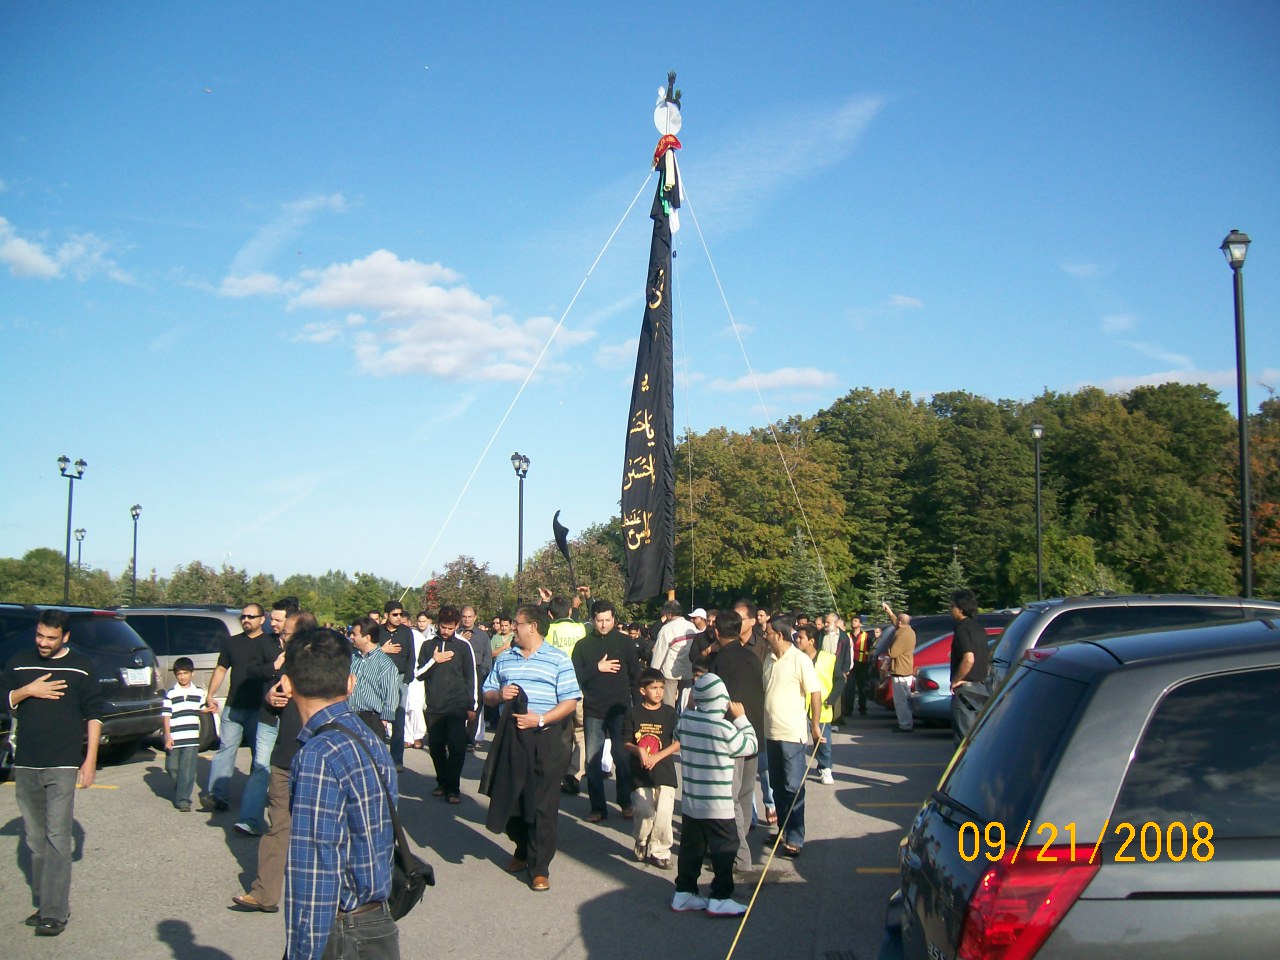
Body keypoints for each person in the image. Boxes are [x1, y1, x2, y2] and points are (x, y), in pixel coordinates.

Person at [283, 626, 399, 960]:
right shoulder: (367, 737)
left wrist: (303, 952)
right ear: (350, 683)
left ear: (287, 684)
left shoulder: (318, 755)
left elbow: (315, 869)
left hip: (343, 930)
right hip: (376, 919)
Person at [1, 609, 103, 937]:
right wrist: (28, 691)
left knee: (58, 836)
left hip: (63, 763)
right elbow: (4, 700)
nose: (43, 643)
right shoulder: (19, 662)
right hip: (27, 762)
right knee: (35, 838)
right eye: (39, 636)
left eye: (51, 638)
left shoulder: (81, 666)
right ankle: (46, 903)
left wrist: (89, 761)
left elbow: (94, 715)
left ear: (65, 637)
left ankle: (55, 912)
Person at [480, 605, 581, 892]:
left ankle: (539, 867)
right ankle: (522, 848)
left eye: (517, 623)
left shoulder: (558, 659)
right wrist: (499, 695)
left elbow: (570, 701)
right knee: (509, 797)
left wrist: (541, 719)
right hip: (511, 738)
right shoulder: (505, 659)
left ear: (533, 627)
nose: (513, 628)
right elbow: (486, 694)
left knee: (542, 804)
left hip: (545, 737)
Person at [233, 611, 317, 914]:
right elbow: (271, 713)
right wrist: (271, 698)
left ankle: (329, 894)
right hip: (284, 759)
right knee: (279, 825)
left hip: (315, 760)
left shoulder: (328, 670)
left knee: (320, 829)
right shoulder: (284, 667)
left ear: (304, 636)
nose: (281, 637)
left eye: (287, 633)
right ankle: (265, 893)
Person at [671, 673, 758, 917]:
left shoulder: (685, 721)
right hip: (718, 804)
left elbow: (677, 735)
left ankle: (684, 893)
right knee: (725, 849)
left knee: (691, 849)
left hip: (692, 802)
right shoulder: (724, 728)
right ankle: (720, 896)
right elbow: (751, 745)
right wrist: (741, 719)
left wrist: (691, 706)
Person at [704, 609, 766, 874]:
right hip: (753, 734)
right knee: (745, 795)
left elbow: (715, 702)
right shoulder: (752, 657)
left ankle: (739, 856)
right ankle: (736, 845)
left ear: (717, 632)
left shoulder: (719, 661)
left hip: (730, 738)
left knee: (729, 799)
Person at [571, 599, 642, 822]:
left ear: (614, 619)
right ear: (592, 620)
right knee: (593, 761)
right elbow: (575, 676)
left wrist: (639, 707)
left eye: (607, 620)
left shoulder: (625, 642)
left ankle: (625, 802)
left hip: (620, 710)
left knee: (622, 758)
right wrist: (597, 668)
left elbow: (635, 676)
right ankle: (598, 807)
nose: (603, 624)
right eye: (599, 620)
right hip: (594, 710)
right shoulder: (583, 646)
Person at [762, 615, 824, 858]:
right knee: (777, 785)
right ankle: (783, 830)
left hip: (792, 734)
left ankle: (796, 837)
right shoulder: (768, 659)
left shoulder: (800, 660)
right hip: (771, 733)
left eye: (767, 632)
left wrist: (815, 725)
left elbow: (815, 693)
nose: (765, 636)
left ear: (779, 635)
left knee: (793, 786)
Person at [202, 602, 271, 814]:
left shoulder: (269, 644)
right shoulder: (232, 643)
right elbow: (221, 669)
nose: (246, 620)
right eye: (243, 617)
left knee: (259, 756)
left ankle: (253, 798)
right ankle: (217, 795)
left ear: (262, 619)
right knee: (225, 750)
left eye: (251, 617)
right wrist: (210, 695)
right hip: (234, 707)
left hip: (259, 709)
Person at [416, 606, 478, 803]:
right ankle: (442, 782)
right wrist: (434, 660)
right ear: (437, 624)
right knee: (435, 747)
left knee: (457, 747)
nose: (446, 631)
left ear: (457, 626)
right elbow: (418, 674)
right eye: (443, 627)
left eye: (450, 628)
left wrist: (472, 706)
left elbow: (471, 677)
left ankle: (453, 788)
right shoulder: (428, 645)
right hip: (434, 705)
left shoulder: (463, 646)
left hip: (457, 706)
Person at [621, 668, 679, 868]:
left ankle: (660, 851)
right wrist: (639, 751)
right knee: (644, 812)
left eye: (661, 688)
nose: (659, 692)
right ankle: (641, 839)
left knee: (664, 813)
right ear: (642, 690)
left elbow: (678, 742)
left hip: (664, 771)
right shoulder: (633, 713)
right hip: (641, 773)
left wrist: (658, 756)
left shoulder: (670, 713)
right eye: (654, 688)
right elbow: (625, 742)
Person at [795, 624, 844, 782]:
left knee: (822, 740)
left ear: (811, 641)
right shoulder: (795, 658)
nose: (797, 640)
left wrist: (831, 699)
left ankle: (825, 767)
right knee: (798, 741)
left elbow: (840, 680)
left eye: (801, 638)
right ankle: (797, 769)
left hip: (822, 706)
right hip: (799, 706)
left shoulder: (829, 658)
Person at [162, 657, 207, 811]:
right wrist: (167, 735)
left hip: (191, 738)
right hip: (175, 736)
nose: (182, 677)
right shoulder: (171, 693)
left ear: (192, 673)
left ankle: (183, 801)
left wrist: (210, 708)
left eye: (185, 673)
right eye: (179, 674)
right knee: (171, 767)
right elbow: (166, 715)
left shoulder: (199, 692)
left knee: (187, 770)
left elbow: (202, 709)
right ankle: (181, 788)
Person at [349, 616, 402, 740]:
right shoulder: (352, 658)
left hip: (372, 720)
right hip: (350, 717)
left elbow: (391, 694)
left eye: (354, 634)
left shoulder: (385, 664)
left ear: (367, 638)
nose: (351, 637)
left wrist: (383, 721)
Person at [377, 601, 415, 770]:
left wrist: (407, 679)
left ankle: (397, 760)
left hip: (400, 678)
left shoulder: (406, 632)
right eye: (395, 614)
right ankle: (378, 759)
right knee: (379, 718)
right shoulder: (378, 631)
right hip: (380, 678)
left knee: (398, 719)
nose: (399, 617)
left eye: (400, 614)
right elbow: (366, 651)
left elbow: (411, 656)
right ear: (386, 615)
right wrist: (382, 650)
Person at [949, 589, 989, 743]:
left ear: (960, 608)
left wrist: (956, 680)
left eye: (952, 606)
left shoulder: (961, 629)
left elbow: (969, 658)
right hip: (981, 688)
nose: (950, 610)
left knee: (964, 738)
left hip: (965, 690)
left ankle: (964, 760)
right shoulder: (979, 628)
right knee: (977, 736)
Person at [649, 599, 697, 708]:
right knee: (686, 703)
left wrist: (653, 673)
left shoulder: (667, 629)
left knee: (668, 705)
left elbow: (659, 653)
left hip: (670, 672)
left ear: (669, 614)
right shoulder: (691, 626)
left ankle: (670, 718)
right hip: (688, 670)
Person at [459, 605, 493, 748]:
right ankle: (456, 737)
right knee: (458, 706)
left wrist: (483, 672)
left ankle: (470, 739)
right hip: (459, 672)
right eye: (464, 617)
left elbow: (487, 656)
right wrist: (460, 639)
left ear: (475, 617)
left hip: (477, 672)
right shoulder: (456, 633)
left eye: (470, 617)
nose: (467, 619)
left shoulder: (482, 635)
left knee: (475, 707)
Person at [882, 604, 915, 733]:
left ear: (900, 623)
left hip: (900, 670)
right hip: (907, 669)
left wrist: (888, 647)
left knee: (901, 701)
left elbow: (893, 653)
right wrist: (889, 612)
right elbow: (897, 622)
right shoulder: (909, 630)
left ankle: (905, 725)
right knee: (906, 698)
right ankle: (907, 722)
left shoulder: (902, 635)